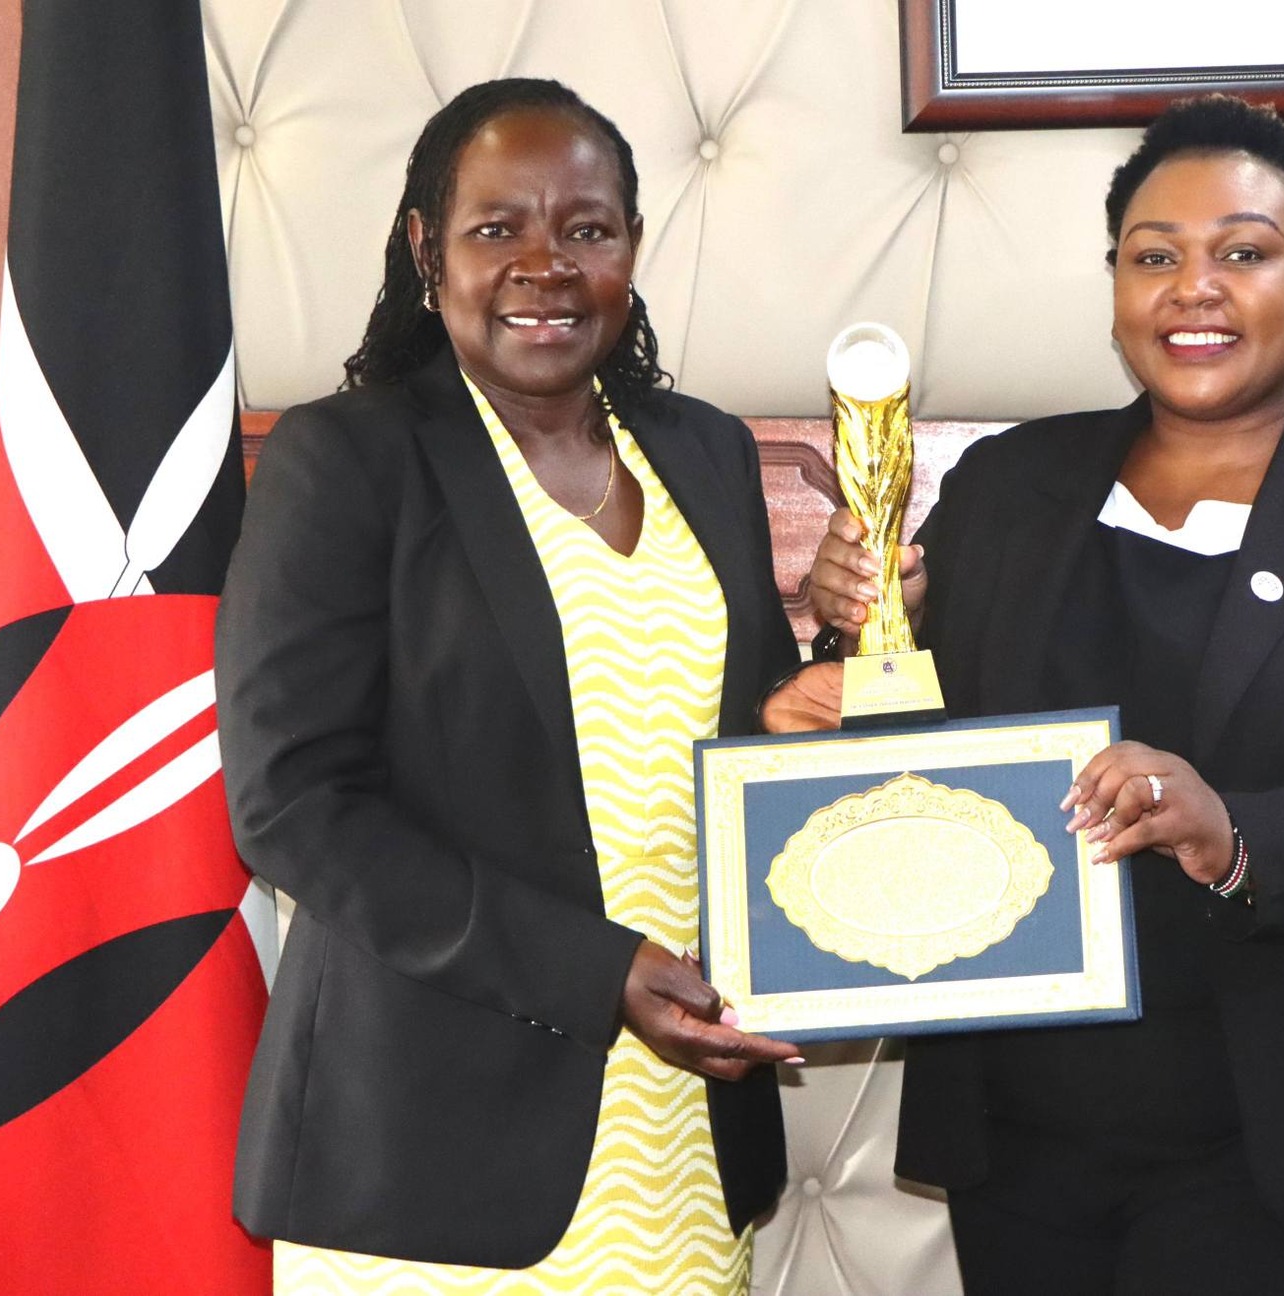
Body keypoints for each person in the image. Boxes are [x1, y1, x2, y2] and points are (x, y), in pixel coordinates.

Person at [802, 95, 1284, 1294]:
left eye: (1244, 253)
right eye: (1152, 256)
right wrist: (849, 634)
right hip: (1032, 1159)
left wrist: (1239, 836)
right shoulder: (1009, 486)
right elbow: (918, 759)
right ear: (1114, 289)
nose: (1191, 287)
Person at [217, 78, 803, 1293]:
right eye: (498, 229)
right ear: (428, 250)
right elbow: (292, 805)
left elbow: (755, 738)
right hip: (430, 1160)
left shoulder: (705, 451)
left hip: (687, 1138)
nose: (545, 264)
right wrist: (596, 974)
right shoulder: (349, 462)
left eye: (586, 230)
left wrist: (855, 658)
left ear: (630, 253)